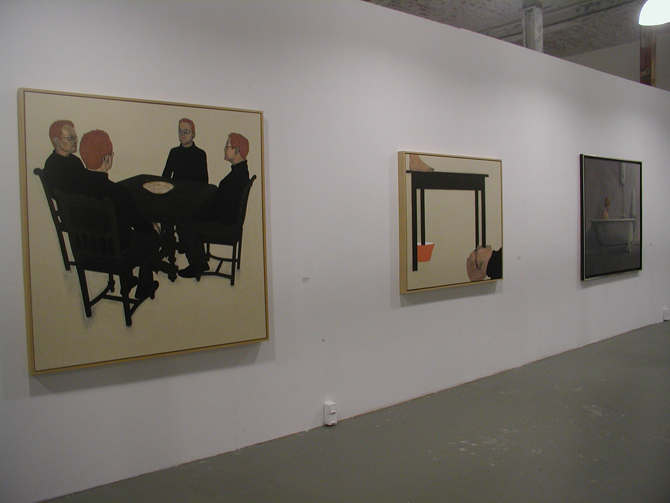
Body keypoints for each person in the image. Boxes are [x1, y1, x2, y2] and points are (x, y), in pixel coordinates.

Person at [77, 130, 160, 299]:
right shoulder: (116, 191)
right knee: (152, 236)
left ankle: (128, 280)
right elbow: (140, 226)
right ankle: (144, 286)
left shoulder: (74, 188)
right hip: (116, 255)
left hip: (86, 250)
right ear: (106, 158)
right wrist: (152, 225)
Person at [177, 132, 251, 278]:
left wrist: (200, 214)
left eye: (227, 147)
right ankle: (201, 261)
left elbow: (221, 210)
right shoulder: (241, 172)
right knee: (190, 218)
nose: (224, 149)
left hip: (225, 225)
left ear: (236, 150)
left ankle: (196, 265)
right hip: (228, 220)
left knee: (184, 224)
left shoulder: (235, 178)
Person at [43, 120, 87, 193]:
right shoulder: (53, 164)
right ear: (56, 140)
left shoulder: (75, 161)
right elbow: (60, 194)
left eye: (75, 137)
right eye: (70, 138)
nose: (75, 141)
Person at [162, 118, 208, 183]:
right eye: (180, 131)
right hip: (176, 187)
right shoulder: (174, 152)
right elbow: (165, 176)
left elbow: (204, 181)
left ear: (193, 135)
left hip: (193, 189)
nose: (182, 134)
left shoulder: (200, 154)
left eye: (186, 132)